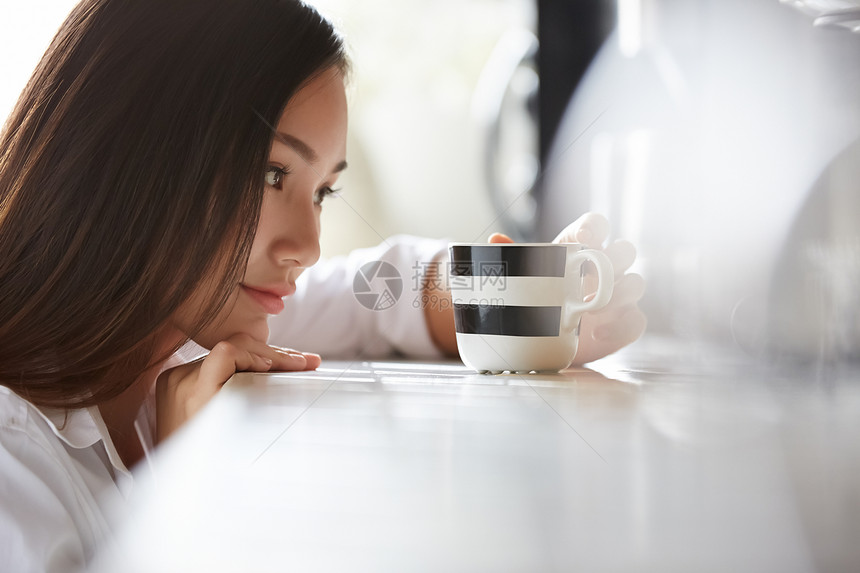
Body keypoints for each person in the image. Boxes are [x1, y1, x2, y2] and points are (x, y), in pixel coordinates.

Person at [0, 0, 645, 571]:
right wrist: (178, 498)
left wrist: (504, 303)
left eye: (323, 191)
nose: (307, 247)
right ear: (134, 152)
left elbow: (356, 297)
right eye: (271, 174)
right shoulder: (14, 475)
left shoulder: (163, 337)